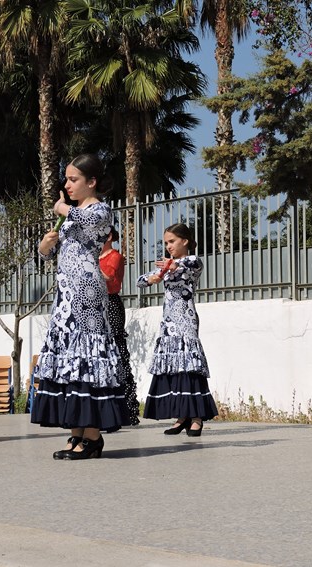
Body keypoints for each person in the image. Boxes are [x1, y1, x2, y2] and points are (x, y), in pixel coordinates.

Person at [31, 153, 129, 460]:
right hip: (65, 295)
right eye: (67, 179)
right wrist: (45, 246)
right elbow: (50, 252)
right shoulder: (71, 214)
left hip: (87, 292)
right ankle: (76, 433)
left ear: (92, 182)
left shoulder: (99, 209)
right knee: (71, 361)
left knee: (86, 358)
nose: (67, 184)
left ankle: (93, 436)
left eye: (74, 179)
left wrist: (62, 208)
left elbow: (87, 221)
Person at [138, 223, 218, 437]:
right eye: (166, 243)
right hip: (168, 323)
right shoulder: (166, 265)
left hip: (186, 320)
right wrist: (152, 278)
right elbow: (140, 282)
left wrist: (172, 267)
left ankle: (196, 418)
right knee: (174, 368)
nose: (168, 246)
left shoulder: (193, 261)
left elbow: (187, 267)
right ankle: (181, 417)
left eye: (172, 241)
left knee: (189, 367)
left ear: (185, 240)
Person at [99, 226, 139, 425]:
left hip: (111, 304)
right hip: (95, 305)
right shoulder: (94, 257)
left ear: (108, 236)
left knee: (117, 352)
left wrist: (89, 265)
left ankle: (127, 409)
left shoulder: (115, 256)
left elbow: (108, 277)